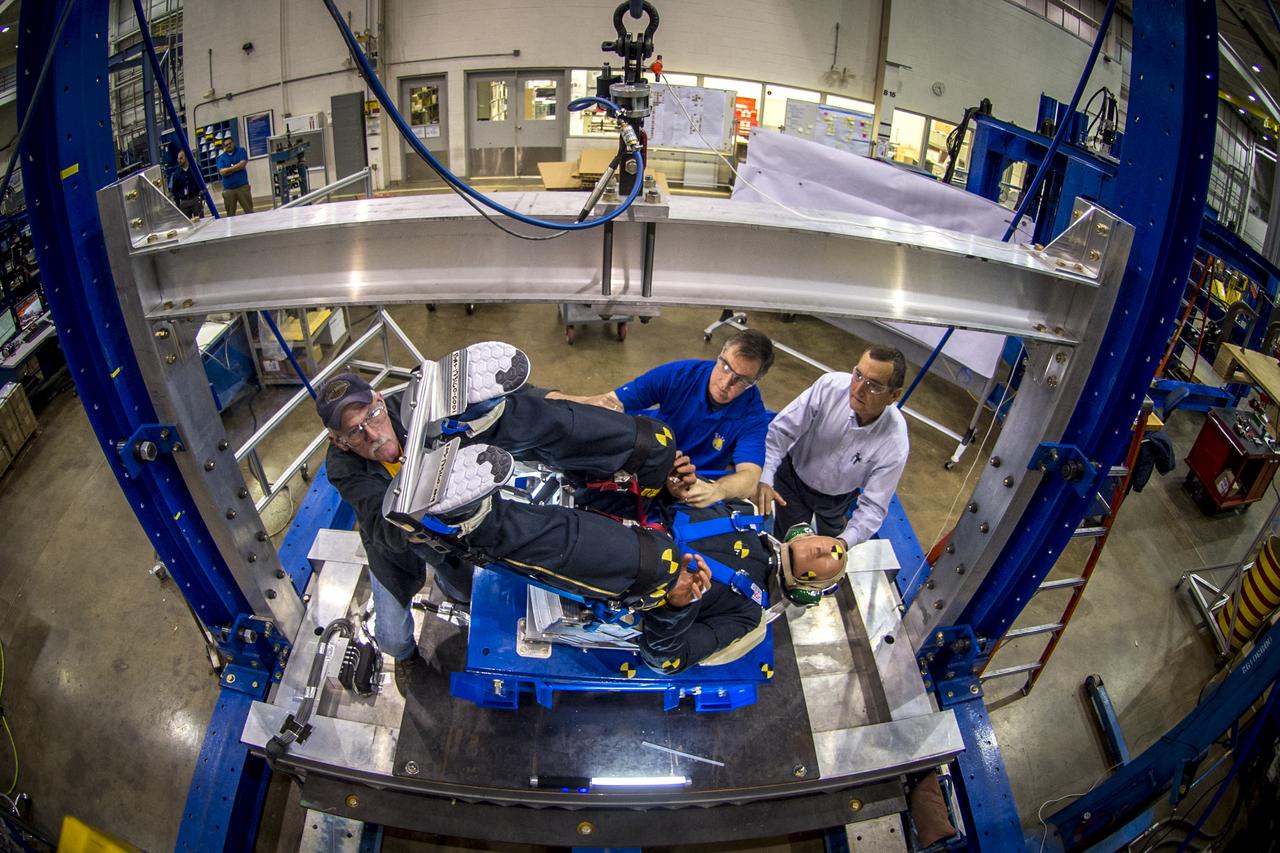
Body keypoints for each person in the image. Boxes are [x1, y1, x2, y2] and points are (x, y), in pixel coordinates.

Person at [385, 343, 849, 675]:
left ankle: (471, 519)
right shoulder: (749, 519)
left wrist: (677, 604)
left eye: (834, 558)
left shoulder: (746, 615)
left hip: (635, 571)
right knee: (658, 442)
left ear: (813, 585)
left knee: (661, 560)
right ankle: (491, 420)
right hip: (629, 509)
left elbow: (667, 658)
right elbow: (618, 409)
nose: (830, 548)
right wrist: (672, 487)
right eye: (834, 543)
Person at [317, 372, 478, 694]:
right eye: (354, 432)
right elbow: (383, 527)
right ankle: (406, 657)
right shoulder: (342, 467)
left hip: (444, 530)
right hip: (392, 542)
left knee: (465, 591)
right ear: (338, 442)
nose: (372, 434)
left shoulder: (413, 407)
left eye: (373, 415)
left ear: (379, 399)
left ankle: (452, 586)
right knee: (391, 637)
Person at [548, 329, 775, 509]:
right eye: (725, 367)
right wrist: (552, 399)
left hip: (690, 486)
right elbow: (610, 402)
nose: (726, 383)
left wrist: (717, 490)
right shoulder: (680, 375)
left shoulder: (752, 415)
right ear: (720, 354)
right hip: (649, 462)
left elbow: (750, 477)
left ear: (755, 381)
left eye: (741, 380)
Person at [756, 345, 910, 549]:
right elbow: (781, 432)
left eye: (873, 385)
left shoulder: (894, 444)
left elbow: (873, 507)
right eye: (858, 375)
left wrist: (843, 543)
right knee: (789, 546)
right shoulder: (830, 387)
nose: (858, 389)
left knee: (826, 549)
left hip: (836, 500)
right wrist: (765, 478)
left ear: (894, 395)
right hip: (793, 480)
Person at [215, 136, 254, 216]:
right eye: (226, 145)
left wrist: (228, 170)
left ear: (233, 143)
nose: (229, 145)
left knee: (249, 212)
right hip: (228, 190)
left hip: (243, 187)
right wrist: (237, 167)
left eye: (230, 143)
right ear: (224, 147)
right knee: (230, 215)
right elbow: (222, 172)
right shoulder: (221, 158)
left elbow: (242, 164)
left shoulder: (241, 151)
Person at [168, 150, 204, 219]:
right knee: (187, 223)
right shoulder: (176, 174)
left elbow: (202, 182)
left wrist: (201, 196)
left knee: (201, 220)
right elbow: (175, 191)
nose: (179, 160)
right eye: (178, 159)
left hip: (195, 198)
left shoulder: (196, 169)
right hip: (184, 202)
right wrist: (178, 203)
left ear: (186, 158)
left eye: (181, 158)